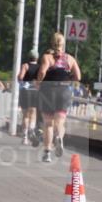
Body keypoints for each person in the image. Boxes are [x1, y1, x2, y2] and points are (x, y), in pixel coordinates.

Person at [37, 32, 82, 163]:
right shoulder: (70, 59)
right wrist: (68, 79)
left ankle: (47, 153)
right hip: (64, 91)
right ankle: (59, 137)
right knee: (60, 121)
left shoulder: (47, 57)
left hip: (48, 91)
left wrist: (38, 82)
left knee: (48, 124)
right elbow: (78, 77)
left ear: (52, 43)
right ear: (63, 44)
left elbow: (42, 72)